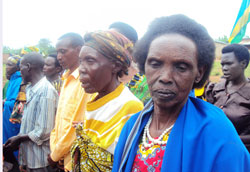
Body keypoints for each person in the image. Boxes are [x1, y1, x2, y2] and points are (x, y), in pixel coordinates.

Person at [112, 14, 250, 172]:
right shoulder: (133, 126)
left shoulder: (216, 132)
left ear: (199, 72)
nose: (165, 77)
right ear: (144, 65)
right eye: (155, 64)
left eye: (181, 67)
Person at [70, 30, 144, 172]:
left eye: (90, 61)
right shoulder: (95, 98)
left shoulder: (130, 106)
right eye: (80, 61)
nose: (81, 69)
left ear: (115, 66)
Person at [3, 52, 58, 171]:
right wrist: (17, 138)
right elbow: (28, 124)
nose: (19, 70)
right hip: (30, 158)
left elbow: (44, 130)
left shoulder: (45, 91)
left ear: (28, 67)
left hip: (40, 161)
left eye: (20, 66)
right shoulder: (29, 89)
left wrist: (19, 139)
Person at [48, 33, 91, 171]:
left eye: (63, 51)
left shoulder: (84, 81)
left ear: (78, 50)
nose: (59, 57)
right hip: (61, 157)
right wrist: (55, 150)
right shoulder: (66, 79)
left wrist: (56, 154)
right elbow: (59, 121)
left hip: (73, 161)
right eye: (57, 52)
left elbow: (77, 126)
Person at [205, 44, 250, 152]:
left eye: (229, 64)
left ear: (243, 63)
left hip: (241, 154)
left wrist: (229, 140)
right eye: (222, 64)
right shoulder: (215, 89)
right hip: (213, 150)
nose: (224, 68)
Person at [109, 21, 151, 105]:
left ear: (130, 43)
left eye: (112, 39)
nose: (108, 44)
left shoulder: (148, 80)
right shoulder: (103, 77)